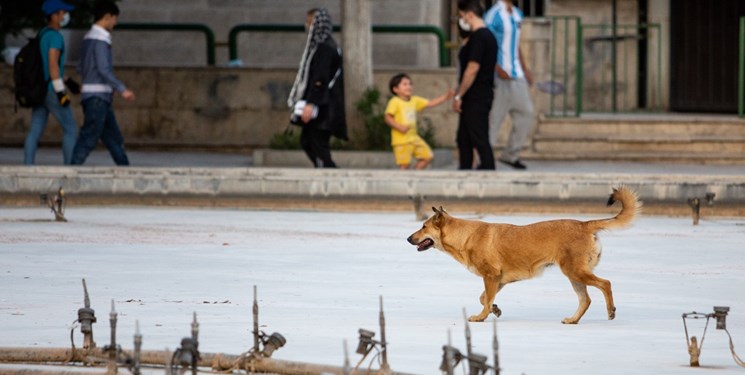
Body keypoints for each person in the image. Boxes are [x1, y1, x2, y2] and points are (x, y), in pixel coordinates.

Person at [70, 1, 134, 166]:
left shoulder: (88, 39)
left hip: (93, 95)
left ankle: (126, 171)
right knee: (89, 138)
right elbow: (104, 69)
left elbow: (80, 67)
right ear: (107, 17)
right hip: (98, 97)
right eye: (114, 19)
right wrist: (122, 89)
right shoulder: (101, 40)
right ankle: (71, 172)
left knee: (113, 138)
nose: (115, 23)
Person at [287, 8, 347, 168]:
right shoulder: (321, 46)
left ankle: (329, 174)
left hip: (324, 106)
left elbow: (320, 79)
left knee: (317, 143)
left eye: (310, 22)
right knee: (308, 141)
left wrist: (311, 104)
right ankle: (325, 171)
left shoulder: (325, 48)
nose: (307, 26)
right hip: (323, 104)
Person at [24, 0, 78, 165]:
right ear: (54, 16)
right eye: (62, 13)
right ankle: (70, 168)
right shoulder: (55, 37)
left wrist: (67, 79)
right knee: (71, 129)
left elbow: (47, 66)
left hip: (40, 89)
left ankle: (27, 166)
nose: (65, 16)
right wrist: (60, 91)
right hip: (51, 89)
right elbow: (53, 64)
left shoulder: (43, 34)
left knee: (35, 130)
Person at [484, 0, 535, 170]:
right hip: (499, 75)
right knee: (495, 118)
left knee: (526, 113)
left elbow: (516, 43)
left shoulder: (517, 13)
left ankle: (510, 154)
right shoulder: (493, 14)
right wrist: (497, 68)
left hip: (517, 74)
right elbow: (486, 43)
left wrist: (525, 68)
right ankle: (485, 158)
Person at [452, 0, 497, 170]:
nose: (461, 19)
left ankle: (488, 172)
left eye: (462, 16)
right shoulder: (483, 37)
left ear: (470, 14)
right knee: (464, 138)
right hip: (475, 96)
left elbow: (472, 68)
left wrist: (459, 94)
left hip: (477, 96)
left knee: (479, 137)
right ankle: (465, 172)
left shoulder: (480, 37)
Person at [384, 73, 453, 170]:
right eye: (404, 84)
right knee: (404, 165)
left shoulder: (414, 100)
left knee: (427, 157)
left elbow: (430, 103)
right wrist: (399, 127)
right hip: (401, 141)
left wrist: (445, 97)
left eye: (410, 84)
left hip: (414, 138)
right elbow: (387, 117)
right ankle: (403, 182)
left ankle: (414, 175)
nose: (409, 86)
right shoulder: (394, 101)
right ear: (395, 89)